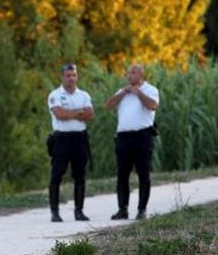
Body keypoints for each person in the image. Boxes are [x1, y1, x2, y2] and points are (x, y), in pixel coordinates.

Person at [105, 64, 159, 220]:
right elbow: (108, 106)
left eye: (133, 73)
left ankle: (141, 209)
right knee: (122, 174)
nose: (130, 76)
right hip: (123, 138)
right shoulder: (123, 92)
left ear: (141, 74)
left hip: (142, 136)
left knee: (143, 174)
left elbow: (153, 105)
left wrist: (138, 93)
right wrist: (122, 93)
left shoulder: (150, 90)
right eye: (128, 73)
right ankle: (122, 209)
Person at [47, 63, 94, 222]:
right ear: (62, 77)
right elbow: (59, 114)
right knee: (57, 175)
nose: (71, 78)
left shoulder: (84, 95)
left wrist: (70, 113)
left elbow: (89, 115)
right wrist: (79, 112)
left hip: (79, 138)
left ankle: (79, 211)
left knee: (80, 175)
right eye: (68, 75)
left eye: (74, 75)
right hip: (61, 139)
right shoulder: (55, 95)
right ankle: (55, 212)